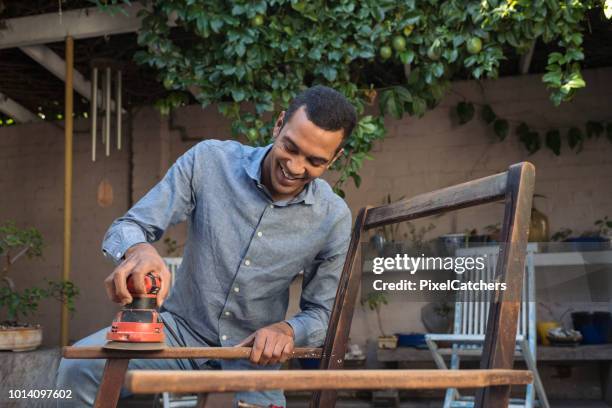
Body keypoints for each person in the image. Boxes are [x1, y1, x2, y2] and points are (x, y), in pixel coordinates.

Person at [55, 85, 356, 407]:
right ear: (279, 124)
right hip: (178, 334)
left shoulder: (333, 217)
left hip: (254, 357)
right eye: (290, 148)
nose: (295, 167)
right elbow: (129, 226)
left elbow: (324, 314)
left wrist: (287, 330)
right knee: (78, 369)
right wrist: (140, 250)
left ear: (336, 157)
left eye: (314, 161)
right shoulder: (210, 161)